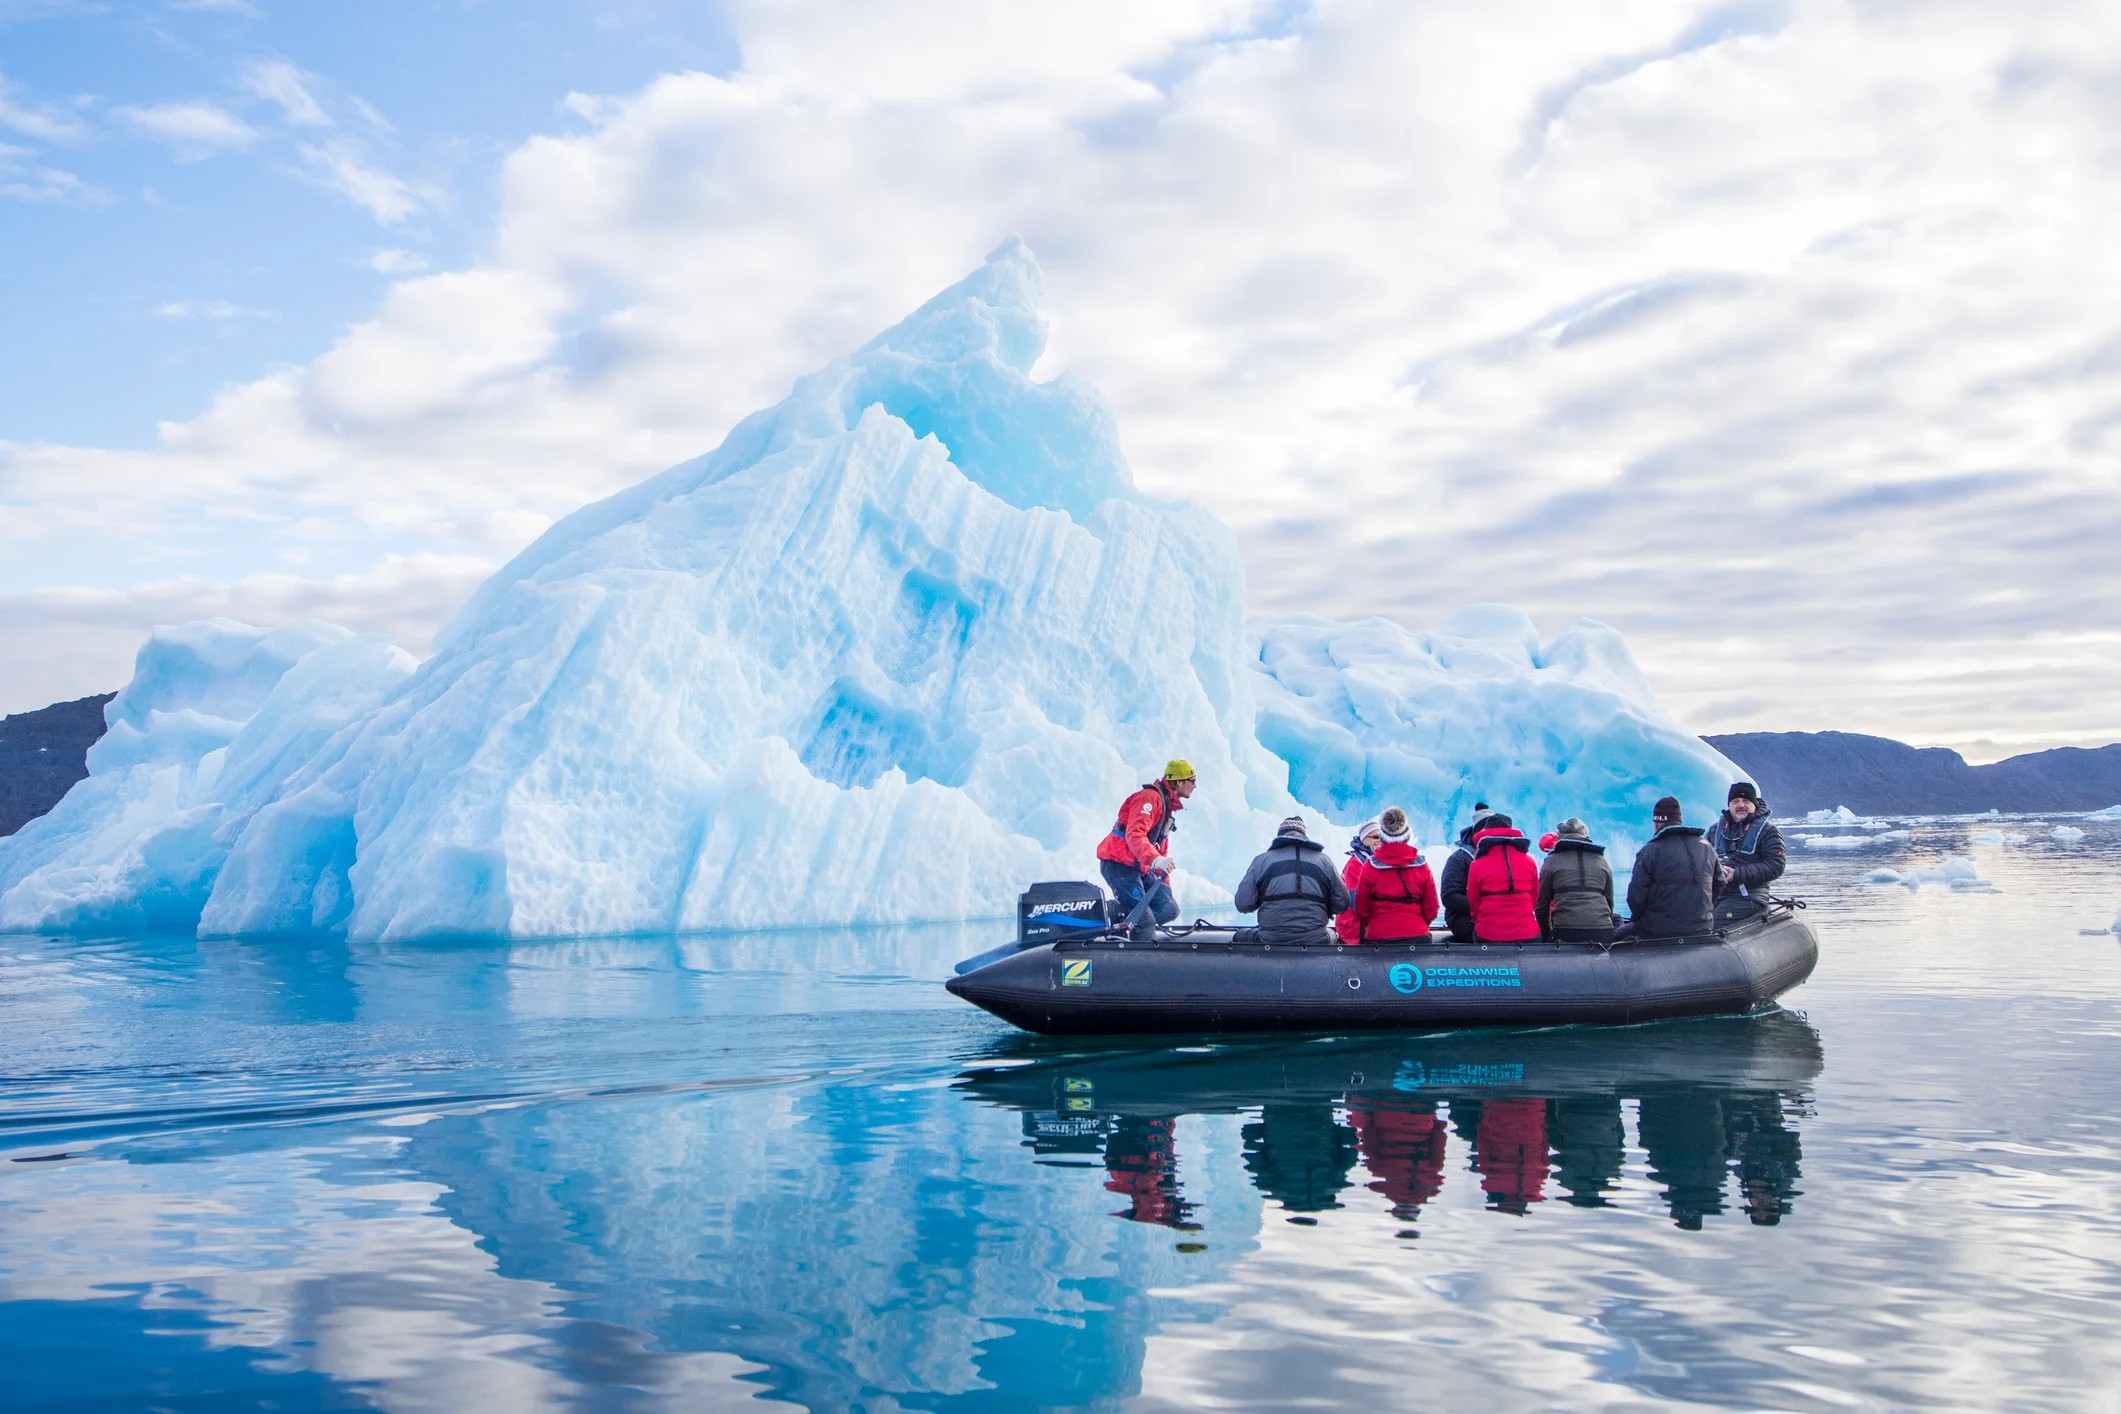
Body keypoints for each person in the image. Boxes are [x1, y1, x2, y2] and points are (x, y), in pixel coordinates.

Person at [1095, 760, 1195, 941]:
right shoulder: (1150, 798)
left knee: (1169, 909)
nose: (1195, 786)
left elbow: (1160, 852)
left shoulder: (1167, 808)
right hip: (1119, 864)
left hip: (1138, 868)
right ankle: (1116, 917)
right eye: (1192, 780)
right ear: (1179, 782)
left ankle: (1126, 924)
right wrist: (1155, 860)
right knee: (1145, 922)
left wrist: (1163, 882)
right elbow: (1135, 834)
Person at [1234, 815, 1351, 945]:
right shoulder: (1324, 861)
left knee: (1239, 936)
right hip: (1316, 939)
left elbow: (1243, 904)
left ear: (1280, 836)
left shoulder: (1260, 861)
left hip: (1270, 939)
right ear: (1303, 835)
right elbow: (1342, 903)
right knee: (1332, 934)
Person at [1624, 796, 1716, 938]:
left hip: (1659, 931)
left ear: (1656, 823)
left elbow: (1636, 898)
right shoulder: (1706, 846)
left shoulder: (1650, 850)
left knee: (1619, 934)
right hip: (1702, 928)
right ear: (1679, 820)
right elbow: (1720, 882)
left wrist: (1639, 920)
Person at [1350, 806, 1439, 943]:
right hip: (1417, 934)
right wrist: (1418, 924)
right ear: (1406, 835)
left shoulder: (1371, 865)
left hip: (1379, 936)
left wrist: (1375, 924)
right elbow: (1431, 907)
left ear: (1383, 836)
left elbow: (1362, 907)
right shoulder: (1421, 865)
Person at [1707, 782, 1786, 918]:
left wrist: (1737, 874)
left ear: (1754, 805)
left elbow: (1776, 865)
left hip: (1749, 897)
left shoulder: (1768, 832)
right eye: (1735, 801)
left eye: (1746, 801)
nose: (1741, 805)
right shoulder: (1715, 831)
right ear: (1729, 805)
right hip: (1715, 896)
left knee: (1711, 926)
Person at [1464, 813, 1542, 944]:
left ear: (1486, 833)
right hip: (1527, 933)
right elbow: (1534, 899)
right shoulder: (1529, 862)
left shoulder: (1477, 865)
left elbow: (1473, 902)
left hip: (1489, 934)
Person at [1536, 817, 1616, 943]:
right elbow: (1609, 901)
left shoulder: (1551, 861)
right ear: (1586, 836)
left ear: (1561, 836)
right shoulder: (1602, 860)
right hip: (1602, 931)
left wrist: (1546, 935)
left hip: (1565, 932)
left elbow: (1542, 905)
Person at [1438, 800, 1494, 944]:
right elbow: (1449, 895)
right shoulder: (1459, 859)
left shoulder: (1500, 855)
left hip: (1494, 916)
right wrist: (1483, 908)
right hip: (1463, 917)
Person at [1335, 817, 1382, 944]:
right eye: (1375, 837)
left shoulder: (1377, 863)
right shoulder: (1355, 865)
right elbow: (1359, 905)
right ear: (1364, 839)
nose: (1380, 841)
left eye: (1382, 837)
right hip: (1355, 931)